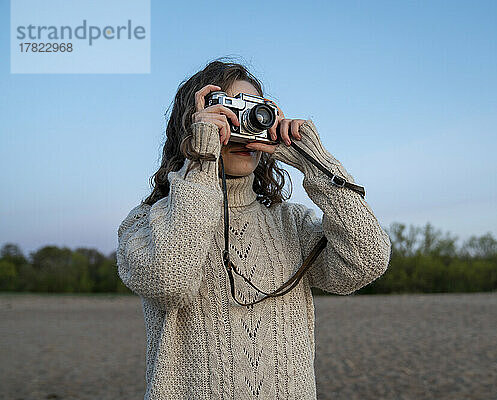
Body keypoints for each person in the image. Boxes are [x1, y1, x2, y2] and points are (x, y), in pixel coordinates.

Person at [116, 58, 392, 400]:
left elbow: (366, 262)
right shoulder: (149, 221)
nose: (242, 126)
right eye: (227, 112)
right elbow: (167, 281)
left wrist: (316, 162)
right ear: (191, 124)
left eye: (254, 112)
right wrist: (202, 160)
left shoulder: (291, 223)